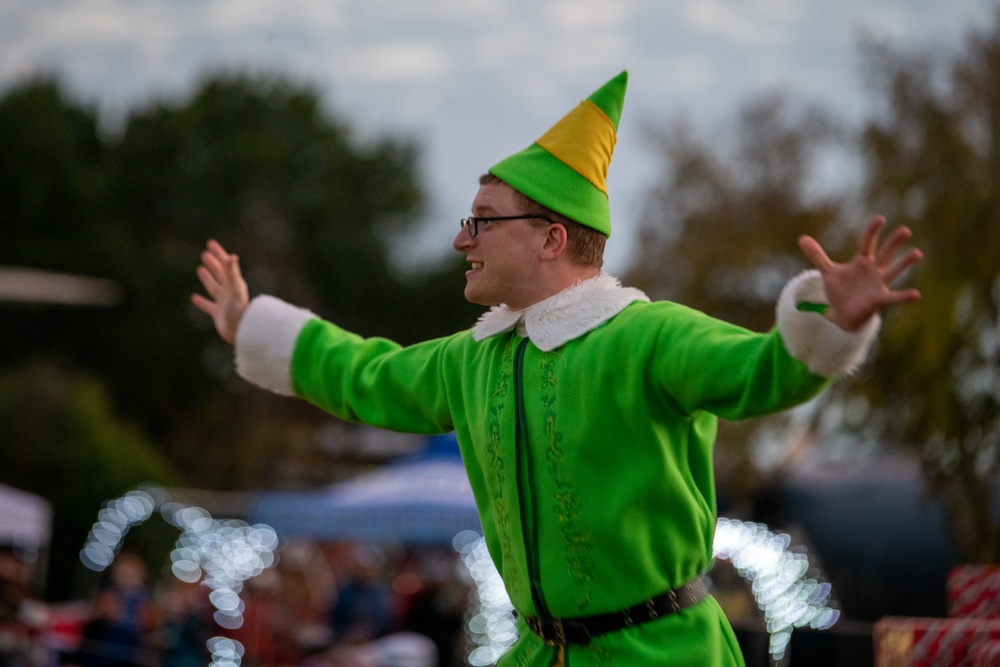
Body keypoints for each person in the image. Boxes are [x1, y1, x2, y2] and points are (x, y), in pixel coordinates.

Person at [192, 71, 923, 666]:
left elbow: (765, 370)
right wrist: (252, 326)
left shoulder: (648, 336)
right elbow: (363, 374)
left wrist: (831, 318)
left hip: (667, 655)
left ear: (551, 238)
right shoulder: (469, 360)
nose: (458, 238)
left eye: (482, 219)